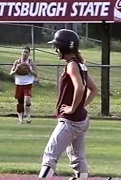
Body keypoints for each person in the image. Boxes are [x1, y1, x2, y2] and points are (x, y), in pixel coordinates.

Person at [37, 29, 98, 180]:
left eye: (56, 46)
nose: (55, 50)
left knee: (50, 156)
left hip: (70, 121)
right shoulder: (80, 64)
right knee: (77, 158)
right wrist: (80, 106)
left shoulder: (72, 65)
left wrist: (72, 107)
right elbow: (94, 89)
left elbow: (80, 87)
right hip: (81, 120)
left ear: (64, 48)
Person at [10, 47, 38, 124]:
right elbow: (11, 73)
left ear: (29, 53)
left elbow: (36, 74)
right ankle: (20, 118)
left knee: (27, 100)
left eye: (26, 52)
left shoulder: (31, 62)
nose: (25, 53)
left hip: (27, 83)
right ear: (21, 52)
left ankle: (28, 115)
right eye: (24, 52)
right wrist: (16, 70)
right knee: (20, 102)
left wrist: (30, 69)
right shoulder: (17, 62)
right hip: (19, 83)